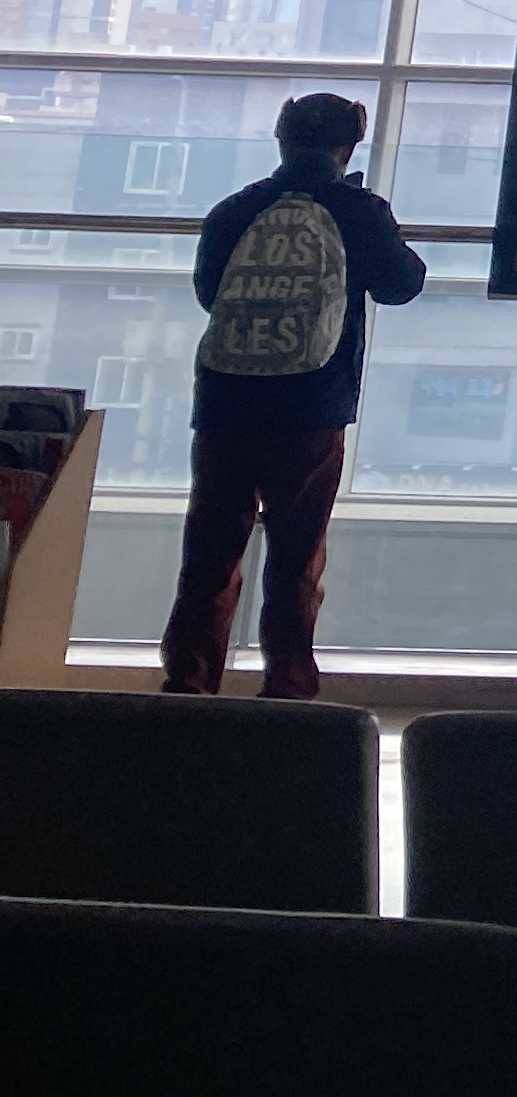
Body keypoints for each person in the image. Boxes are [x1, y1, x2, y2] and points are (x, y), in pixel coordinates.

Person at [161, 91, 426, 698]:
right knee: (296, 553)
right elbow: (400, 284)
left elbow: (210, 294)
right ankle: (287, 689)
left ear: (280, 140)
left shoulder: (234, 209)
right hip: (310, 403)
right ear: (349, 146)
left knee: (210, 551)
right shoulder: (357, 209)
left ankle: (189, 685)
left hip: (226, 400)